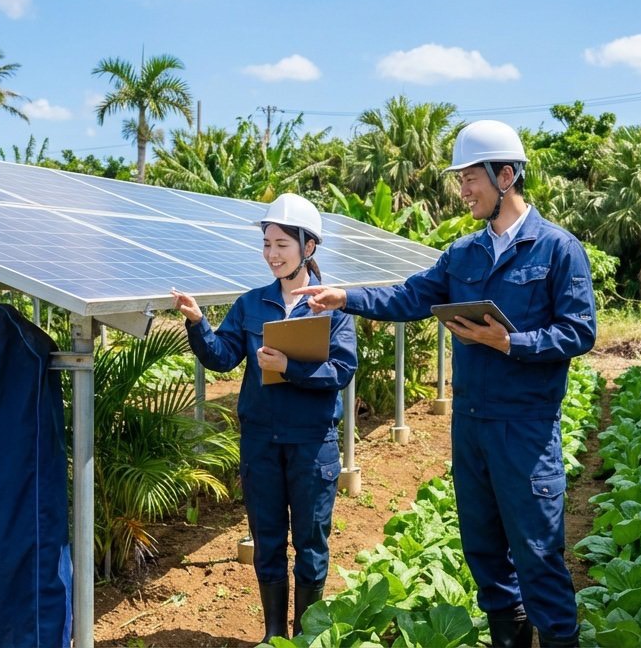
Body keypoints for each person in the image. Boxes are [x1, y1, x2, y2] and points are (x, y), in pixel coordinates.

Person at [294, 120, 596, 647]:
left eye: (470, 178)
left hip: (526, 427)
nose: (463, 191)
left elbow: (579, 331)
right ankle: (507, 637)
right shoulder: (462, 254)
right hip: (472, 424)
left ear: (506, 176)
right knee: (482, 548)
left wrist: (509, 344)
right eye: (461, 180)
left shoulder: (558, 249)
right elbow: (410, 298)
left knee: (538, 552)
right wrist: (347, 298)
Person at [171, 192, 357, 642]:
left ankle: (306, 636)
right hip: (261, 440)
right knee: (268, 539)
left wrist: (288, 368)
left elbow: (342, 370)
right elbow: (222, 357)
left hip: (313, 442)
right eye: (267, 244)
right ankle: (275, 636)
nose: (272, 254)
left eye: (282, 245)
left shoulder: (330, 306)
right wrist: (198, 324)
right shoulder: (251, 304)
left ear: (308, 248)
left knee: (311, 543)